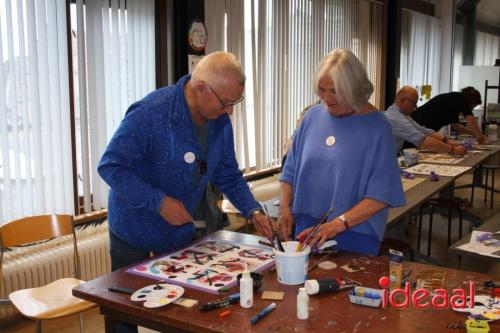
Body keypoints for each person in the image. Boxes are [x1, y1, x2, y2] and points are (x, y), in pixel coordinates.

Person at [98, 52, 273, 275]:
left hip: (177, 234)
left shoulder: (220, 122)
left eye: (235, 102)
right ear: (201, 88)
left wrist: (254, 211)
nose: (230, 111)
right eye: (226, 103)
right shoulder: (150, 113)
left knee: (178, 303)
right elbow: (110, 166)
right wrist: (158, 202)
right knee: (129, 305)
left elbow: (227, 174)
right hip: (134, 232)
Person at [278, 49, 406, 256]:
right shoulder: (312, 117)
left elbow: (381, 194)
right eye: (321, 90)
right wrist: (284, 209)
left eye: (334, 91)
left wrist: (337, 224)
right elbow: (290, 170)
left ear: (354, 89)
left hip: (353, 233)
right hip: (306, 231)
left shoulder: (377, 127)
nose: (326, 98)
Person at [384, 86, 466, 155]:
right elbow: (423, 141)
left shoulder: (401, 115)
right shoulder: (396, 118)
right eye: (413, 103)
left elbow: (424, 130)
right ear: (402, 100)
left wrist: (447, 140)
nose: (415, 107)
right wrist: (453, 150)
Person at [410, 86, 489, 144]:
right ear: (471, 100)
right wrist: (480, 137)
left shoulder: (454, 102)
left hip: (423, 128)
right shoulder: (460, 98)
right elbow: (471, 119)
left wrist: (474, 133)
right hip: (416, 124)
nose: (471, 110)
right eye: (472, 106)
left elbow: (457, 127)